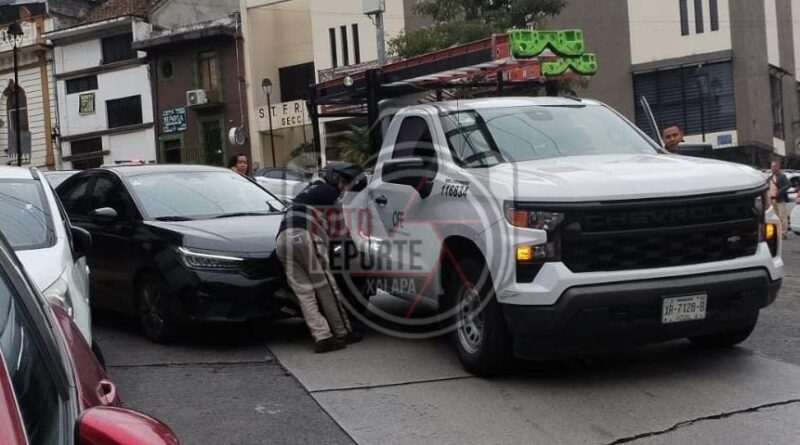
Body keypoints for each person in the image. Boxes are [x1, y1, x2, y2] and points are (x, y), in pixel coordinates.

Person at [276, 161, 363, 353]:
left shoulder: (309, 190)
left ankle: (322, 336)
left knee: (304, 292)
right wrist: (353, 250)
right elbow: (340, 231)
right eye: (343, 183)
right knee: (326, 287)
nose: (344, 189)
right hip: (306, 236)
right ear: (333, 177)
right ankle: (342, 332)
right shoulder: (328, 193)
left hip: (282, 239)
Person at [769, 160, 790, 239]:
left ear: (778, 167)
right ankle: (778, 233)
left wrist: (779, 192)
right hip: (772, 200)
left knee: (782, 217)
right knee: (776, 218)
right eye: (772, 166)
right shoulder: (770, 177)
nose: (773, 168)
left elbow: (788, 185)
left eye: (774, 166)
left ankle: (784, 233)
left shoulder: (782, 176)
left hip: (780, 199)